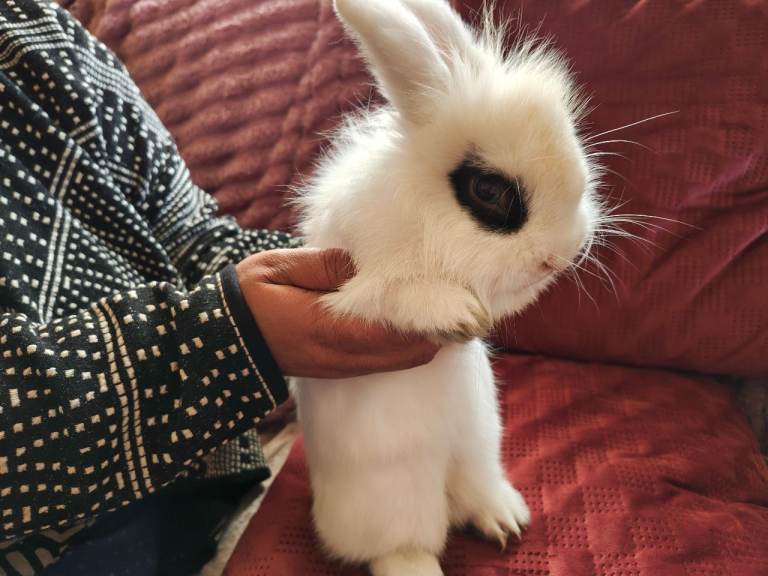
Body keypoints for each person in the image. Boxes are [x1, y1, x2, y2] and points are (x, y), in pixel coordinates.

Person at [0, 1, 439, 574]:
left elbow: (187, 233)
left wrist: (335, 272)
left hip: (211, 480)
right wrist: (226, 337)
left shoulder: (42, 37)